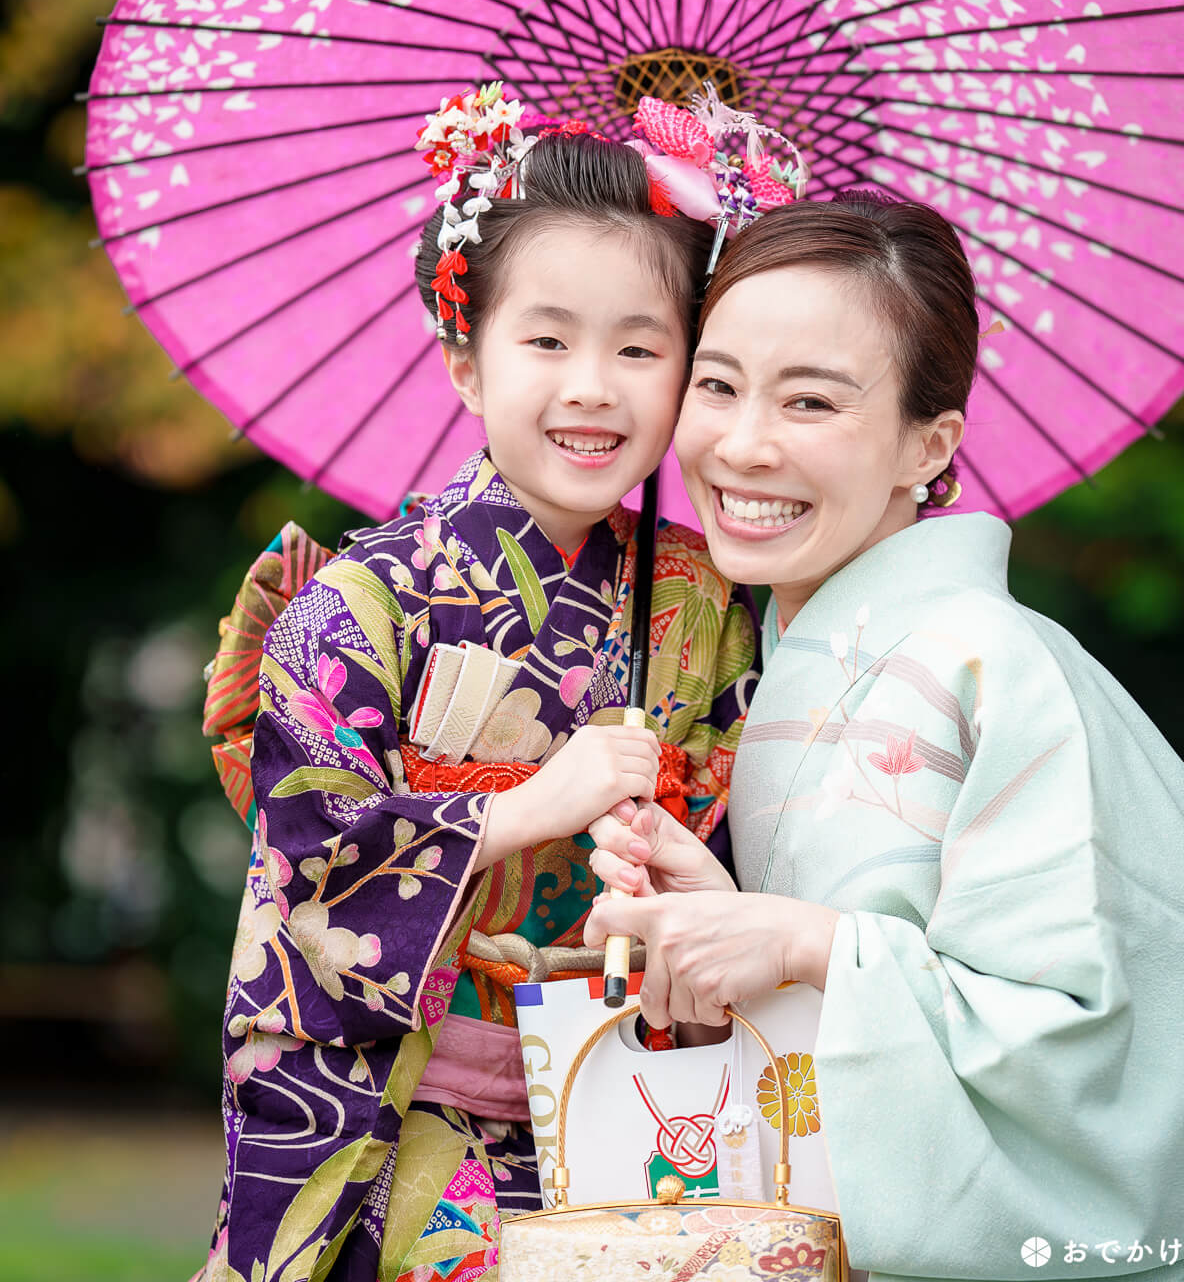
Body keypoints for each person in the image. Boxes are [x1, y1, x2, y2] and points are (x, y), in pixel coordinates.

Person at [587, 194, 1184, 1282]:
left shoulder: (1002, 667)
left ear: (930, 441)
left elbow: (1086, 1045)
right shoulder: (788, 667)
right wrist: (727, 922)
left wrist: (815, 946)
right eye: (714, 385)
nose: (741, 442)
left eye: (810, 401)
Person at [197, 89, 761, 1282]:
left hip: (629, 1080)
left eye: (639, 346)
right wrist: (517, 812)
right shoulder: (361, 599)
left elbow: (745, 819)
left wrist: (678, 863)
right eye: (546, 340)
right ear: (466, 361)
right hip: (408, 1104)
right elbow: (307, 847)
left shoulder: (703, 605)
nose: (592, 385)